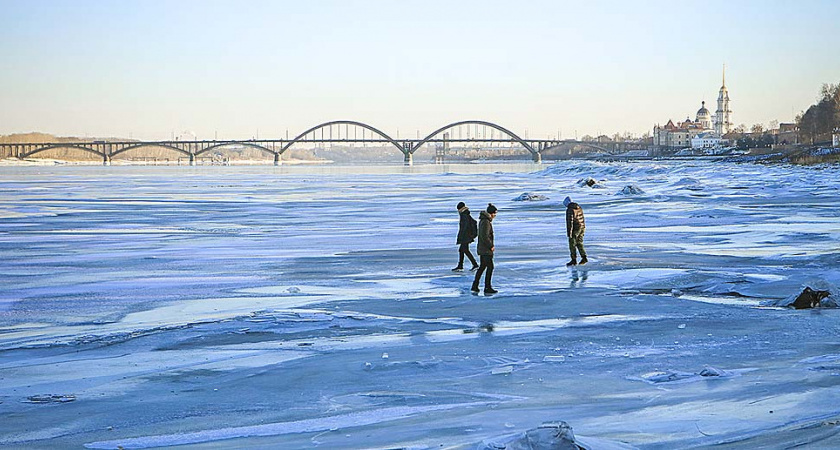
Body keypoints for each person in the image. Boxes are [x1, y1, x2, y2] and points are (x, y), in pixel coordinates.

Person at [471, 203, 498, 294]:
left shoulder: (484, 221)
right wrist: (491, 246)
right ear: (491, 213)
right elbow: (484, 236)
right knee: (490, 267)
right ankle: (487, 287)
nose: (495, 215)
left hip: (483, 248)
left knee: (483, 267)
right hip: (485, 249)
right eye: (495, 213)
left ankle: (475, 285)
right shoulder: (486, 222)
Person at [452, 202, 479, 272]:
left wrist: (462, 236)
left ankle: (475, 264)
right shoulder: (466, 214)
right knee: (462, 250)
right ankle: (460, 266)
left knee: (465, 250)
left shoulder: (464, 215)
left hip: (465, 236)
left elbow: (464, 227)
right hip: (467, 236)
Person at [564, 196, 587, 266]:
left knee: (572, 244)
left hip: (575, 228)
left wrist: (569, 233)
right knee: (579, 242)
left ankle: (573, 260)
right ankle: (584, 257)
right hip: (582, 227)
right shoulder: (579, 208)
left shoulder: (570, 210)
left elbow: (570, 222)